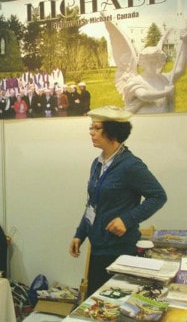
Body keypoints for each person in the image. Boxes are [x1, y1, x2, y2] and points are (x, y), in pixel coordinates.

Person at [69, 106, 167, 297]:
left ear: (113, 132)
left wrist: (126, 219)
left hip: (120, 250)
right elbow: (93, 204)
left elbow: (158, 196)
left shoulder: (131, 166)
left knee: (113, 306)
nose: (91, 132)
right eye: (91, 127)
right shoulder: (97, 163)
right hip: (98, 248)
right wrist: (80, 234)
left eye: (97, 128)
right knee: (96, 306)